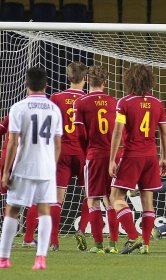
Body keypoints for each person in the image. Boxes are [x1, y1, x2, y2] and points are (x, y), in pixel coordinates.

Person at [0, 67, 62, 270]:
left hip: (23, 166)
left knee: (12, 210)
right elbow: (57, 143)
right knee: (44, 210)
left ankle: (4, 258)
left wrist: (6, 171)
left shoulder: (18, 107)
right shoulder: (54, 109)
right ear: (46, 85)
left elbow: (13, 142)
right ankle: (41, 258)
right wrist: (51, 167)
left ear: (26, 84)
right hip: (46, 168)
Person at [109, 64, 166, 255]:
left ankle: (133, 236)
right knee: (147, 201)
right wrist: (164, 157)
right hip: (151, 156)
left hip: (132, 155)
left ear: (130, 80)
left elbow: (118, 131)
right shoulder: (157, 103)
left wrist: (112, 159)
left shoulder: (124, 103)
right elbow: (164, 133)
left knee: (115, 197)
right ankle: (146, 244)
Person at [73, 65, 119, 254]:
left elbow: (80, 134)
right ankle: (114, 245)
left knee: (93, 201)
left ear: (88, 81)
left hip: (93, 155)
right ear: (105, 82)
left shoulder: (81, 102)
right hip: (113, 157)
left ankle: (99, 246)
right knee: (112, 201)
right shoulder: (114, 102)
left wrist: (87, 152)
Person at [48, 62, 89, 251]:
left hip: (61, 151)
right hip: (83, 153)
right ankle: (81, 230)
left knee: (57, 198)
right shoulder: (89, 99)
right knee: (90, 195)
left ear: (68, 77)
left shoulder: (56, 97)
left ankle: (54, 240)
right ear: (85, 78)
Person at [0, 115, 39, 248]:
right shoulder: (39, 115)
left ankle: (7, 240)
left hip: (6, 158)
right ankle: (28, 239)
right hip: (25, 159)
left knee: (10, 200)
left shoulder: (13, 113)